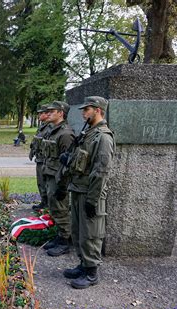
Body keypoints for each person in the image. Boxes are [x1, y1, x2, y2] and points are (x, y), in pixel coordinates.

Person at [62, 96, 115, 289]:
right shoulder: (88, 133)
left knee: (91, 234)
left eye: (88, 109)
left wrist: (92, 200)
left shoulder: (103, 137)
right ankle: (83, 265)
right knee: (79, 232)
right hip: (78, 189)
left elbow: (101, 171)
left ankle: (92, 273)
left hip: (89, 193)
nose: (84, 112)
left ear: (98, 110)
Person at [41, 101, 75, 257]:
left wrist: (63, 185)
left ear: (61, 113)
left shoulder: (66, 134)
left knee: (61, 209)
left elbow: (68, 162)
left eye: (52, 111)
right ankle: (59, 235)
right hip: (50, 174)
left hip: (58, 177)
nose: (48, 114)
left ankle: (65, 241)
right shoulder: (53, 131)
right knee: (54, 208)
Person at [29, 104, 50, 210]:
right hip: (39, 158)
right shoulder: (42, 126)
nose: (39, 115)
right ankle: (44, 201)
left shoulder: (50, 127)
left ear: (47, 114)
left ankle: (47, 203)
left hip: (45, 159)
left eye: (41, 113)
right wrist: (32, 150)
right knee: (40, 182)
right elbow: (37, 140)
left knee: (45, 182)